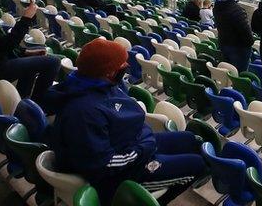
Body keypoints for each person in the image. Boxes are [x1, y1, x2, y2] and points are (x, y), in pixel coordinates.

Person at [45, 39, 207, 205]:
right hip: (117, 176)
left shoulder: (95, 83)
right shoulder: (84, 112)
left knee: (189, 139)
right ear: (108, 72)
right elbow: (102, 164)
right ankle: (140, 202)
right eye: (121, 64)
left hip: (131, 145)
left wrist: (144, 141)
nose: (125, 65)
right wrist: (142, 149)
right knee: (197, 164)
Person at [0, 0, 60, 105]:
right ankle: (39, 104)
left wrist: (25, 52)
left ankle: (22, 103)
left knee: (33, 61)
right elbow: (6, 44)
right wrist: (26, 19)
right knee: (53, 62)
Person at [214, 0, 253, 71]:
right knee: (238, 74)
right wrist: (249, 43)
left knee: (229, 71)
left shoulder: (218, 5)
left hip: (224, 43)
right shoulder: (237, 10)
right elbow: (246, 32)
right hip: (238, 48)